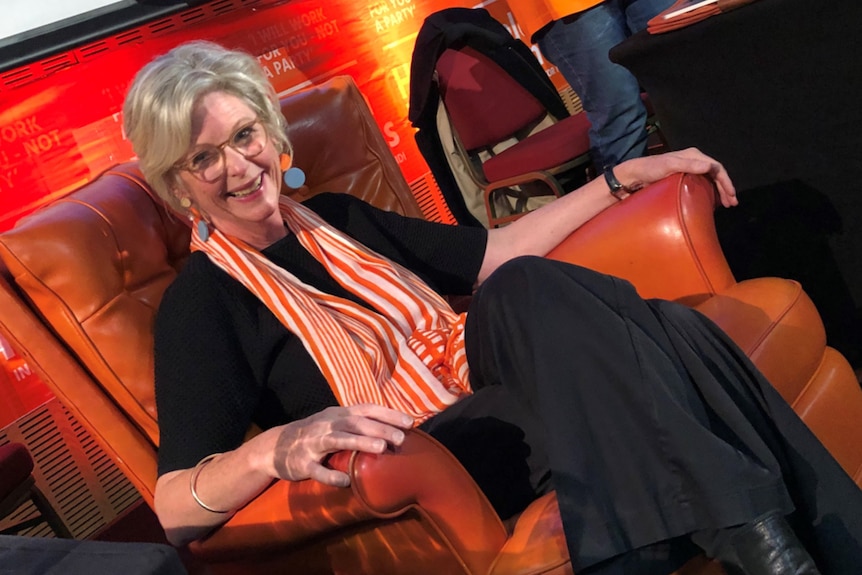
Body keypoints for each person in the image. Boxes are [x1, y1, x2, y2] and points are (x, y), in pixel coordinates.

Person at [123, 41, 862, 575]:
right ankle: (798, 540)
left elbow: (496, 254)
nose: (238, 167)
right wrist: (275, 446)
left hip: (485, 377)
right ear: (178, 183)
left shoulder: (338, 216)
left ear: (269, 132)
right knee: (669, 333)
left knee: (520, 289)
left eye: (244, 136)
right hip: (435, 448)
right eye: (203, 158)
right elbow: (175, 507)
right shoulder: (204, 303)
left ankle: (695, 542)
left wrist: (622, 177)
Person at [507, 0, 675, 169]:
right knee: (621, 115)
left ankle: (699, 183)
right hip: (568, 8)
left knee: (686, 81)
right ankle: (631, 192)